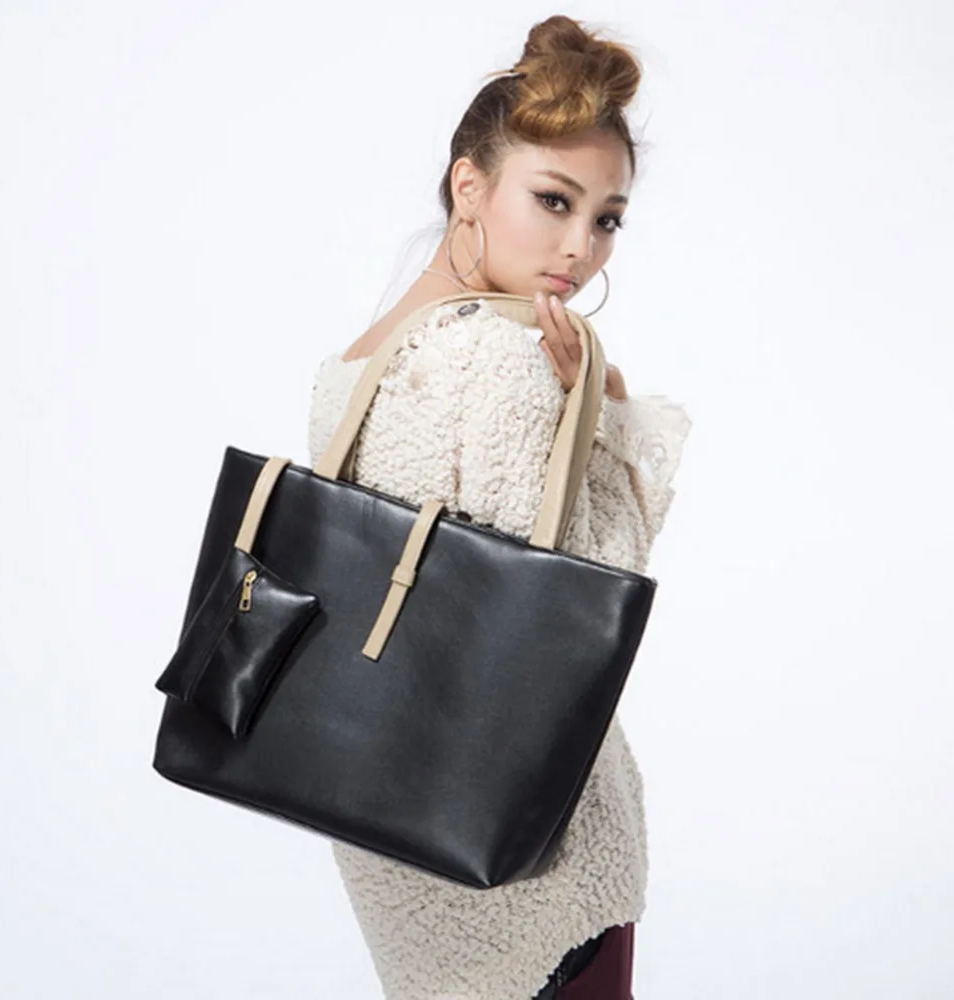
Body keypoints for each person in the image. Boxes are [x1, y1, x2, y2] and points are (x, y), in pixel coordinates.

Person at [306, 14, 692, 999]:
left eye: (606, 218)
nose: (580, 248)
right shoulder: (504, 360)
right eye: (553, 200)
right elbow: (582, 592)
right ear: (468, 185)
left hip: (388, 835)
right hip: (537, 857)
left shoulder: (358, 362)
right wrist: (605, 417)